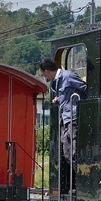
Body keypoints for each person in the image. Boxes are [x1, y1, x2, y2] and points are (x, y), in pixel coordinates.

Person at [39, 57, 86, 186]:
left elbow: (85, 89)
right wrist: (57, 99)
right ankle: (76, 180)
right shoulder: (55, 82)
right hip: (64, 119)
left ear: (46, 71)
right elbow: (60, 96)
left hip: (74, 116)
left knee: (74, 150)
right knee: (67, 151)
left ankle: (81, 182)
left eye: (43, 73)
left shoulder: (69, 76)